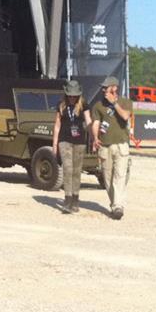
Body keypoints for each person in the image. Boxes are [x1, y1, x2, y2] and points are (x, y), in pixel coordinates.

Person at [90, 78, 136, 220]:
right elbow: (96, 123)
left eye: (106, 88)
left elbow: (125, 116)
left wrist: (114, 103)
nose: (103, 90)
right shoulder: (98, 105)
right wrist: (95, 138)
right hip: (104, 146)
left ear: (114, 88)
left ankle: (118, 206)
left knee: (119, 176)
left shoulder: (125, 102)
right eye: (103, 88)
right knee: (108, 178)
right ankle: (114, 203)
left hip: (121, 145)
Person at [53, 80, 92, 214]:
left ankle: (75, 199)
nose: (72, 98)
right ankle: (67, 199)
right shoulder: (61, 105)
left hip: (79, 141)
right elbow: (57, 126)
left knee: (76, 170)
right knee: (67, 169)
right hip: (64, 141)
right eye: (70, 95)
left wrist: (94, 136)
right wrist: (54, 145)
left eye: (74, 96)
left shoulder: (84, 105)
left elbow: (88, 122)